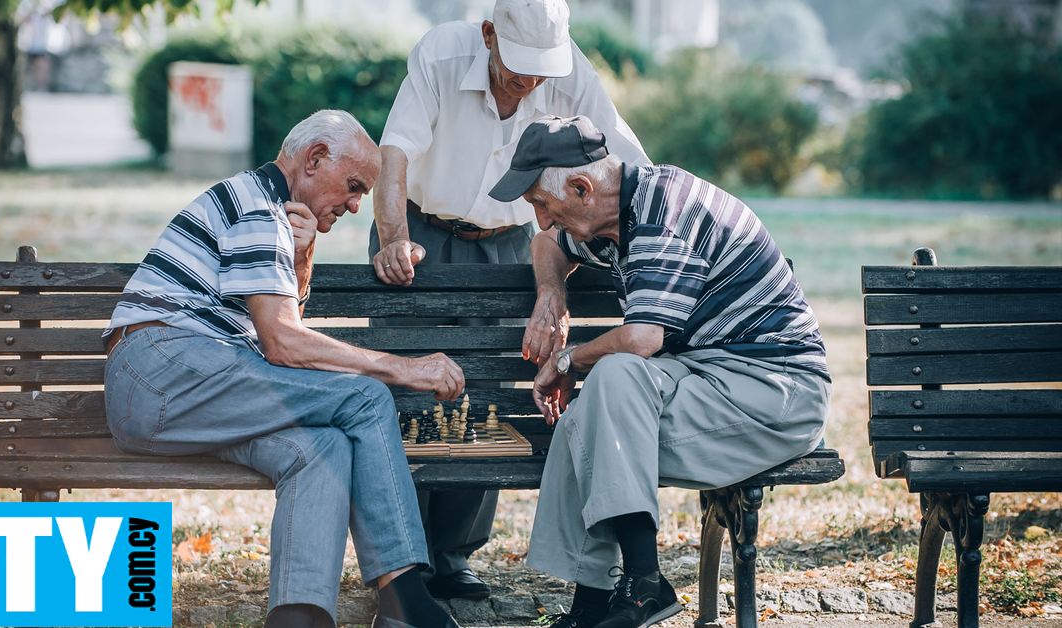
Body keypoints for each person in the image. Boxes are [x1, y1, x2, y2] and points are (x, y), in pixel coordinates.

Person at [103, 110, 463, 628]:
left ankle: (299, 617)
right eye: (354, 186)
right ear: (315, 159)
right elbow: (284, 344)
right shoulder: (257, 207)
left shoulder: (268, 209)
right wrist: (404, 369)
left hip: (187, 395)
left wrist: (303, 254)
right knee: (365, 397)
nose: (356, 205)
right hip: (163, 371)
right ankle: (405, 601)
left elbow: (279, 331)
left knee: (322, 448)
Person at [488, 115, 832, 628]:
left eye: (541, 203)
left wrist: (565, 359)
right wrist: (551, 292)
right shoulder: (614, 212)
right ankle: (595, 605)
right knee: (591, 412)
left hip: (775, 388)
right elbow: (547, 246)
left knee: (610, 383)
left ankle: (643, 582)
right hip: (707, 376)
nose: (540, 220)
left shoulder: (662, 212)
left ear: (581, 188)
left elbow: (642, 340)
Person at [369, 0, 649, 599]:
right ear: (489, 35)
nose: (533, 82)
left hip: (511, 243)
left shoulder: (568, 70)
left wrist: (668, 227)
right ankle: (401, 558)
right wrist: (392, 237)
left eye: (543, 70)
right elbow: (394, 155)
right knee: (406, 391)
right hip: (420, 231)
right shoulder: (441, 53)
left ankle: (452, 555)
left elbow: (629, 161)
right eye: (521, 66)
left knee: (486, 393)